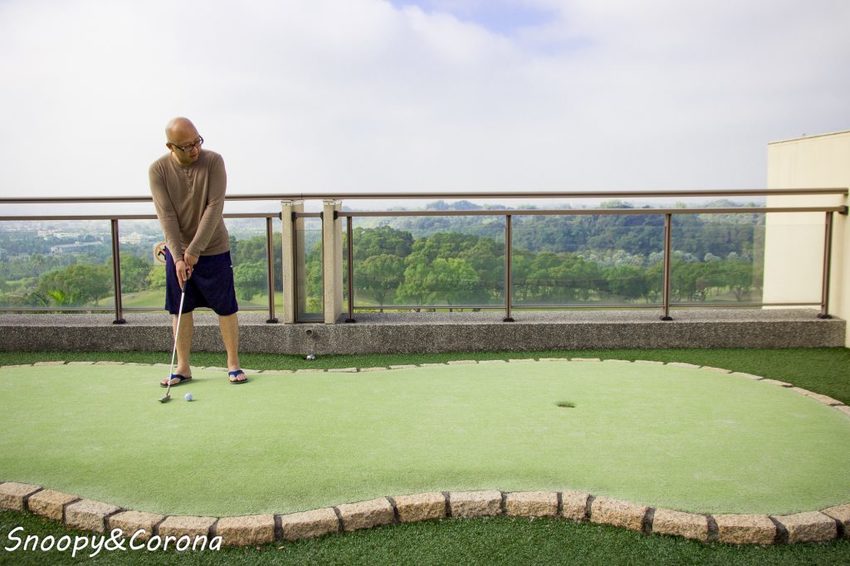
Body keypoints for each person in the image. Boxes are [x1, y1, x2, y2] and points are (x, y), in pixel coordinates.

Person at [149, 117, 248, 386]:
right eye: (187, 146)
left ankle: (233, 364)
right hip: (177, 251)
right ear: (171, 146)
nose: (195, 149)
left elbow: (214, 207)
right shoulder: (158, 170)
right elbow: (166, 215)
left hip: (214, 247)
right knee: (180, 309)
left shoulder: (214, 161)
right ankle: (183, 367)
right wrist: (179, 256)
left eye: (197, 141)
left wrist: (193, 251)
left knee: (226, 307)